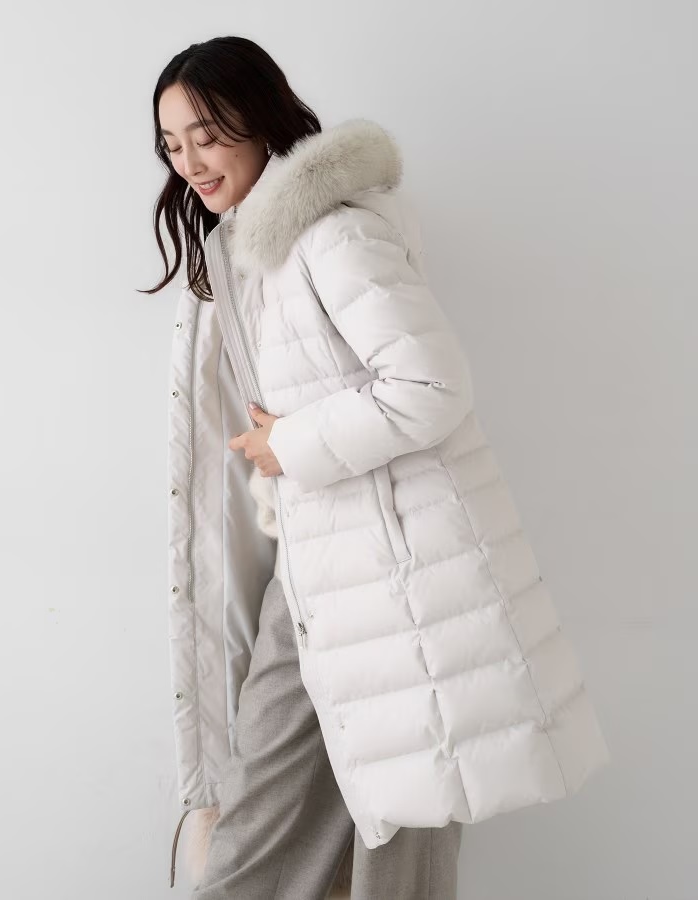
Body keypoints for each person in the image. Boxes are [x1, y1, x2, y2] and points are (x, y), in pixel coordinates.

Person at [144, 34, 610, 900]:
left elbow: (433, 385)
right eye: (173, 145)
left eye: (206, 135)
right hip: (319, 563)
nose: (190, 162)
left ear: (261, 118)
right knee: (280, 810)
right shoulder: (248, 252)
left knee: (397, 826)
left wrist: (289, 445)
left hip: (397, 574)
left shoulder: (333, 232)